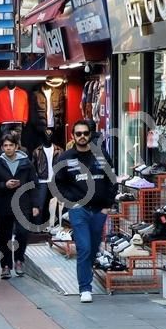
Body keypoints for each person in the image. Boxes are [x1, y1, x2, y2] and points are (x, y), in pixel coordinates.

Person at [51, 120, 117, 303]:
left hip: (99, 209)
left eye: (85, 133)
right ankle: (85, 287)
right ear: (73, 136)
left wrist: (107, 205)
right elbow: (57, 183)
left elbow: (112, 180)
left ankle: (87, 276)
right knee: (84, 247)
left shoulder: (101, 155)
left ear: (90, 135)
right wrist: (70, 202)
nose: (82, 137)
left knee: (94, 247)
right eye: (78, 133)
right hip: (78, 210)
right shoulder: (65, 157)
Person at [0, 129, 35, 279]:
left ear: (16, 147)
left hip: (23, 204)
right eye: (5, 145)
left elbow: (34, 183)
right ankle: (6, 265)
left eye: (11, 145)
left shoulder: (26, 163)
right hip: (4, 204)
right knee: (5, 237)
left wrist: (36, 205)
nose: (8, 148)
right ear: (2, 148)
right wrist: (4, 185)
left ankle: (19, 260)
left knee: (22, 232)